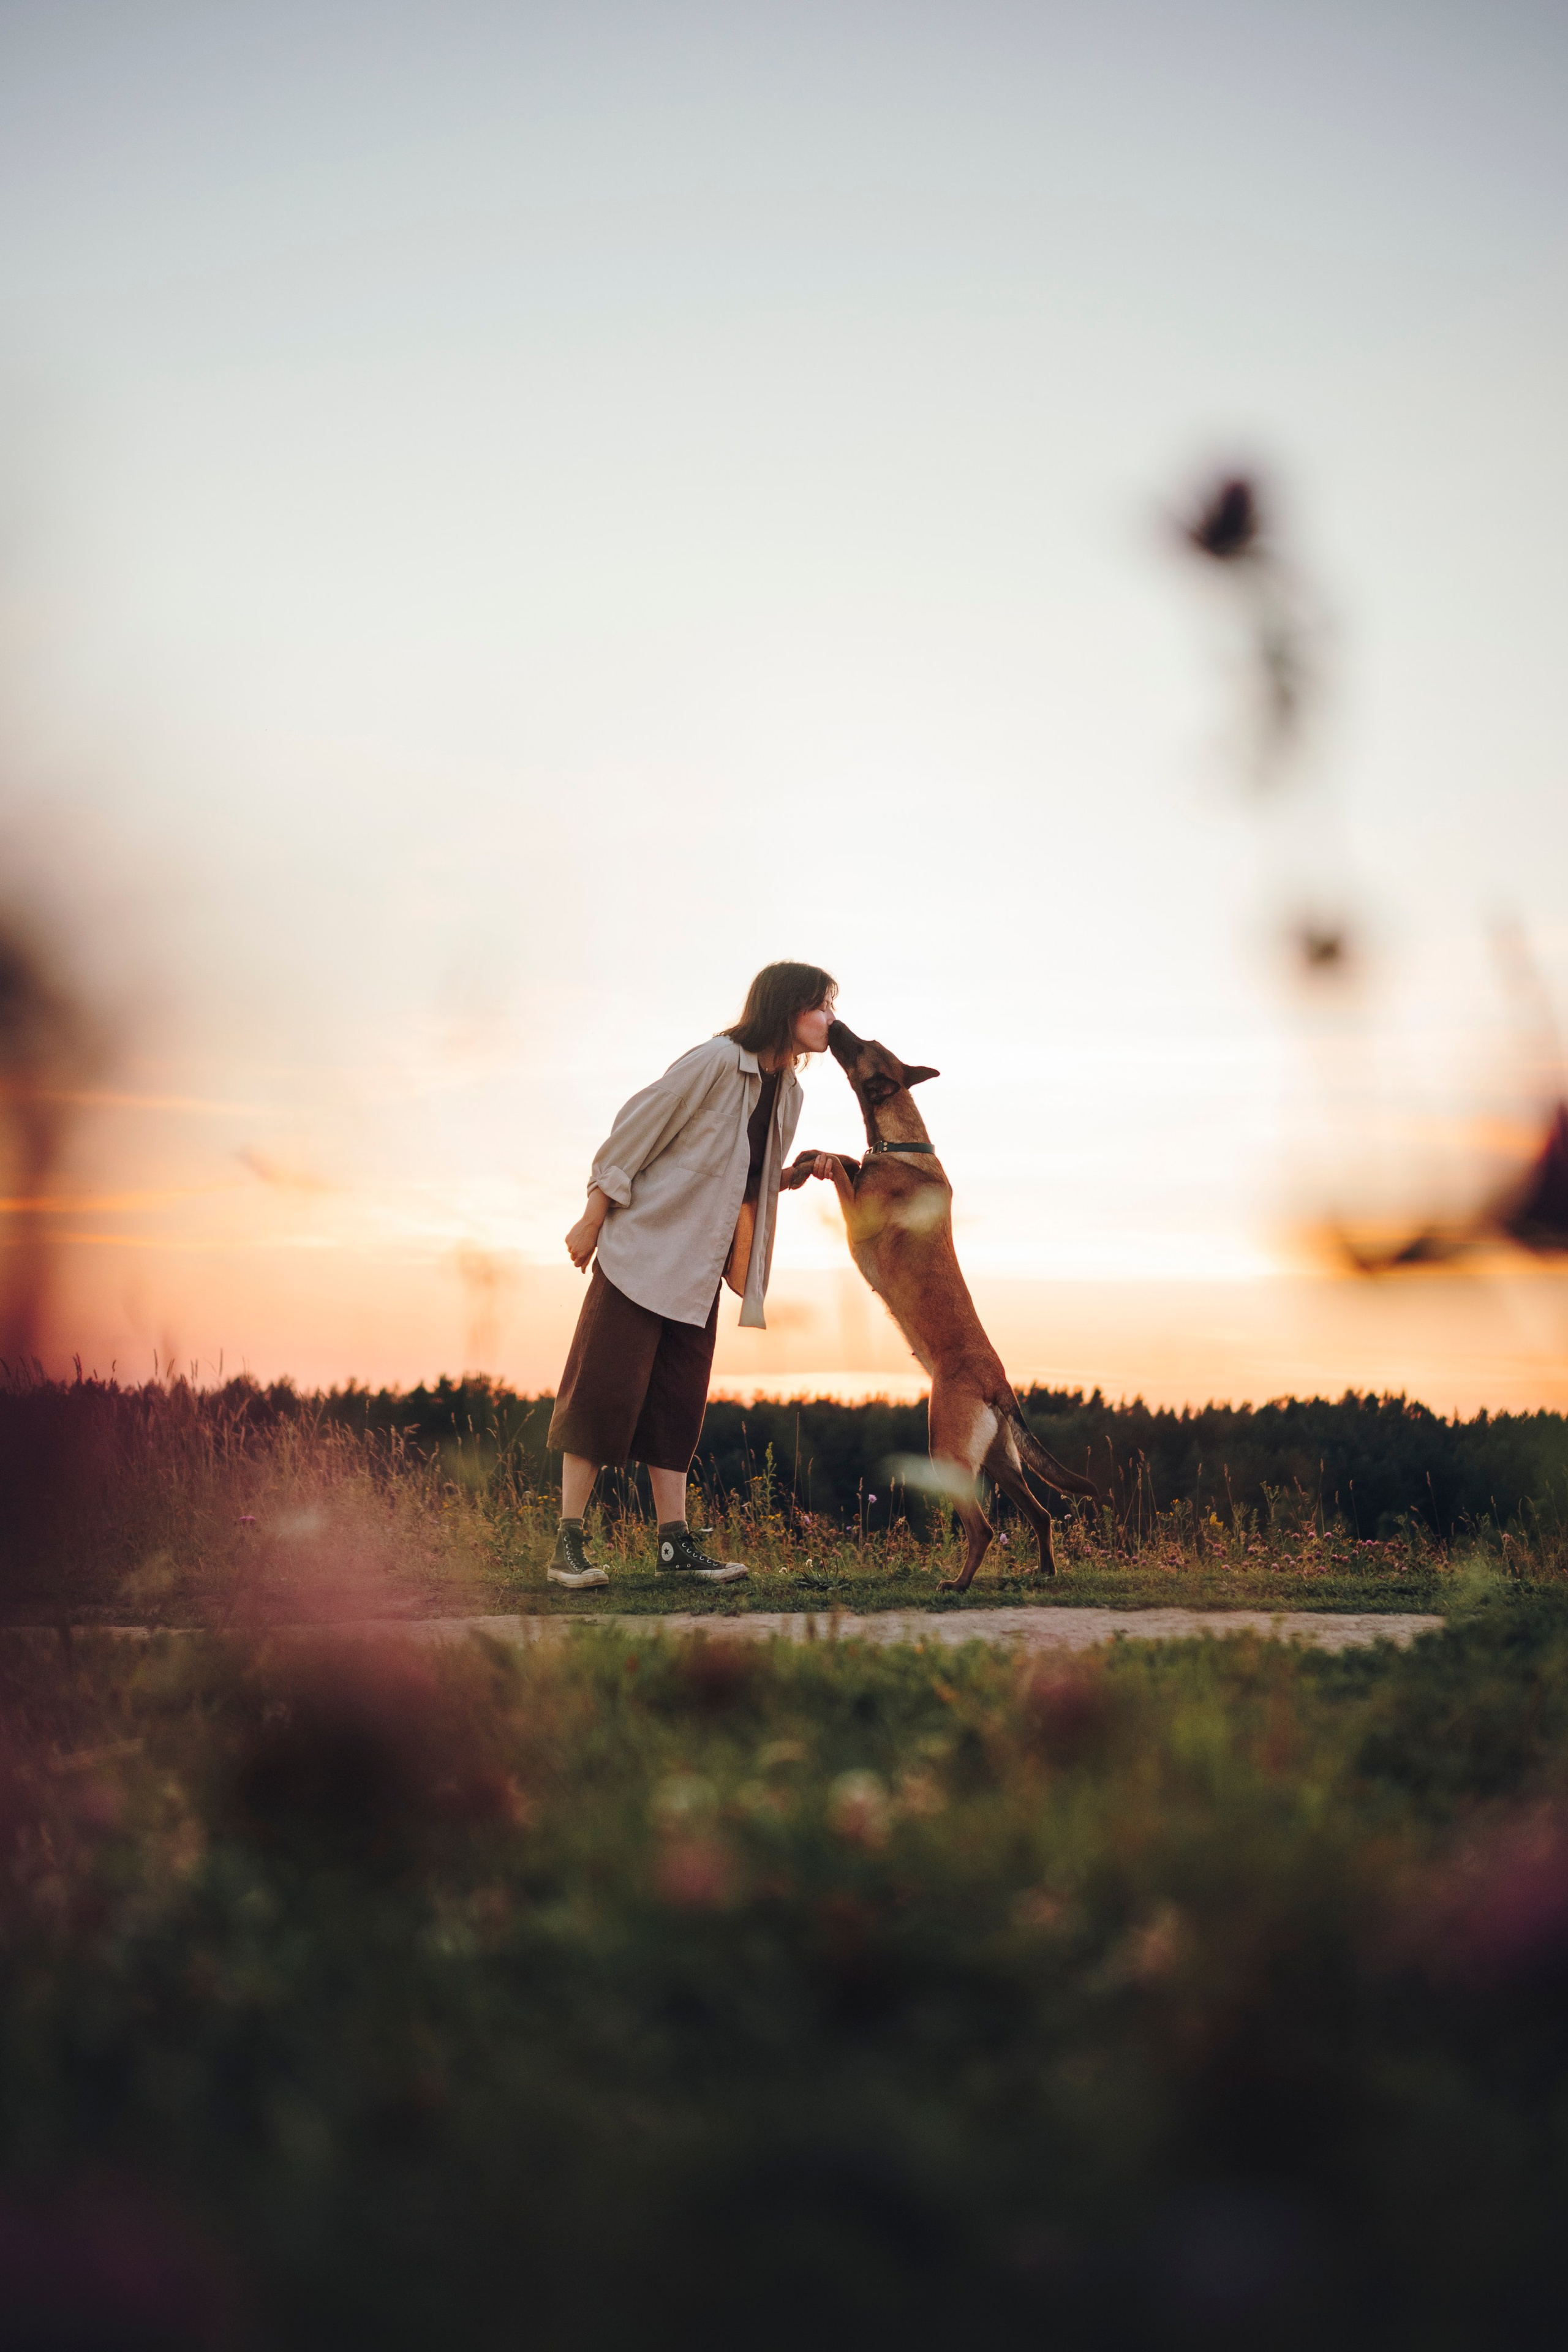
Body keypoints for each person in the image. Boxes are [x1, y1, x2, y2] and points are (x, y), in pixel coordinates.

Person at [545, 962, 840, 1589]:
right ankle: (566, 1549)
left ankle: (674, 1548)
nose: (830, 1020)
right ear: (787, 1007)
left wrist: (792, 1172)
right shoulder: (714, 1061)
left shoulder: (789, 1092)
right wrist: (592, 1216)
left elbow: (741, 1175)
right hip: (644, 1251)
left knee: (675, 1408)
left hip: (700, 1268)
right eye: (821, 1006)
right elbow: (636, 1129)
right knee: (602, 1396)